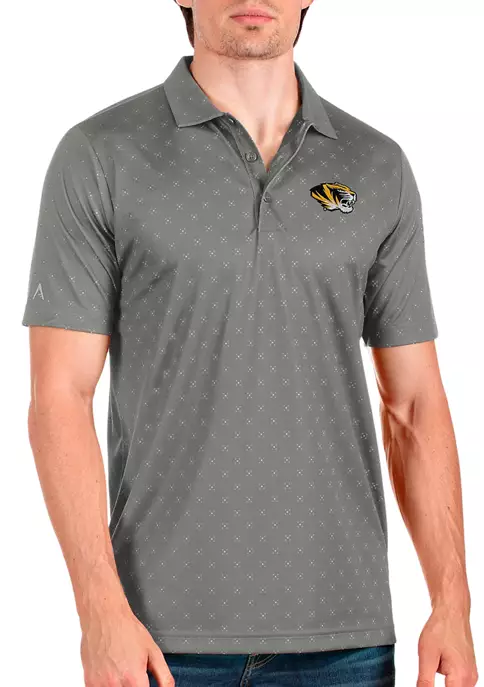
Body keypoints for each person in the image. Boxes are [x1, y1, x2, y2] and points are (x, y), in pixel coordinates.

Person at [21, 0, 478, 686]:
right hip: (157, 639)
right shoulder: (102, 154)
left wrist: (452, 601)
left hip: (346, 640)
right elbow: (59, 395)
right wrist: (98, 610)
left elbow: (414, 404)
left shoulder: (377, 165)